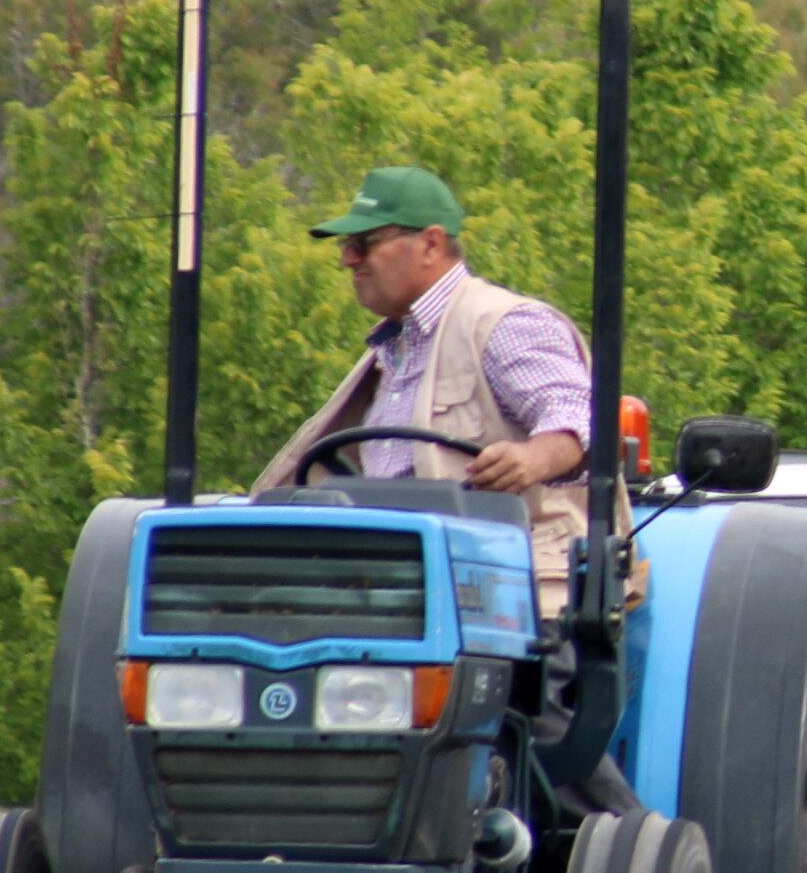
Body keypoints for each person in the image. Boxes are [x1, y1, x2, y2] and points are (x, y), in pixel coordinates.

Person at [253, 165, 600, 594]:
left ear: (431, 243)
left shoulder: (502, 322)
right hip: (403, 586)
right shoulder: (392, 351)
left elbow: (582, 412)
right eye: (347, 245)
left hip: (511, 592)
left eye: (364, 243)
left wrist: (533, 458)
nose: (347, 260)